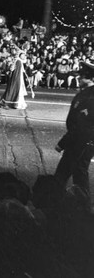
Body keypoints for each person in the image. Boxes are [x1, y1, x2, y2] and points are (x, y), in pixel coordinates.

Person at [54, 61, 94, 207]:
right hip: (80, 141)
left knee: (63, 174)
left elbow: (82, 125)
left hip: (81, 141)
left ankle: (53, 205)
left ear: (90, 78)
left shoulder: (90, 97)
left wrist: (63, 142)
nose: (78, 78)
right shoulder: (85, 94)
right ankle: (82, 208)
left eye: (82, 76)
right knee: (78, 173)